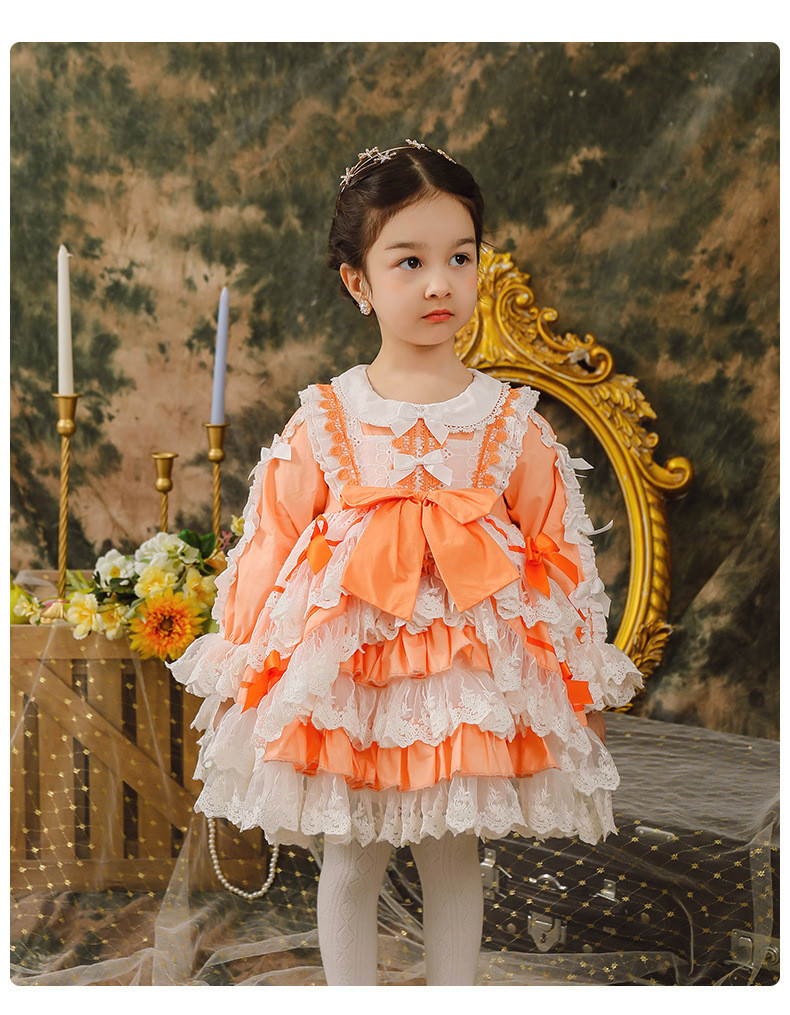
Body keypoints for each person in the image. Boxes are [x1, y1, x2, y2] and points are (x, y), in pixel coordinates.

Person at [168, 139, 644, 986]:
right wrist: (242, 663)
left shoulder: (508, 421)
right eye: (410, 261)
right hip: (350, 673)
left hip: (463, 677)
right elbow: (271, 537)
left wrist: (578, 679)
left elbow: (559, 553)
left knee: (451, 853)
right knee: (351, 854)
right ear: (358, 280)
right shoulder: (330, 416)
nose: (439, 284)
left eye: (460, 257)